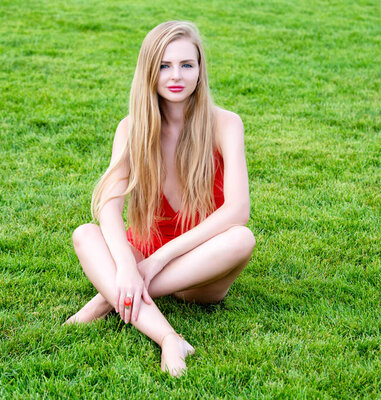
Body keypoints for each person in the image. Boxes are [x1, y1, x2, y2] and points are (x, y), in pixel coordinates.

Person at [65, 21, 255, 377]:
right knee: (84, 234)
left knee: (242, 239)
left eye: (187, 64)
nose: (176, 75)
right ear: (149, 71)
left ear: (200, 69)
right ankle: (169, 338)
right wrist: (126, 265)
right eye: (165, 66)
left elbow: (238, 211)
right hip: (143, 253)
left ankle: (105, 300)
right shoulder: (131, 128)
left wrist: (152, 265)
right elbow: (108, 206)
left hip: (201, 270)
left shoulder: (226, 124)